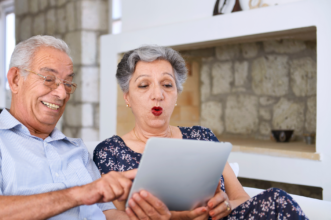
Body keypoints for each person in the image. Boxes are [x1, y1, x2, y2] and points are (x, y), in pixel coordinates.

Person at [93, 45, 309, 220]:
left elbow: (241, 197)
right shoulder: (109, 151)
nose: (157, 94)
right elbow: (110, 215)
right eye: (143, 85)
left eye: (167, 85)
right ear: (127, 97)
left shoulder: (202, 137)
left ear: (176, 95)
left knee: (277, 199)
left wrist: (226, 205)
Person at [0, 35, 150, 220]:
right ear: (15, 80)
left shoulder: (76, 150)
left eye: (68, 84)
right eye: (49, 79)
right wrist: (80, 193)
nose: (62, 94)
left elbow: (106, 214)